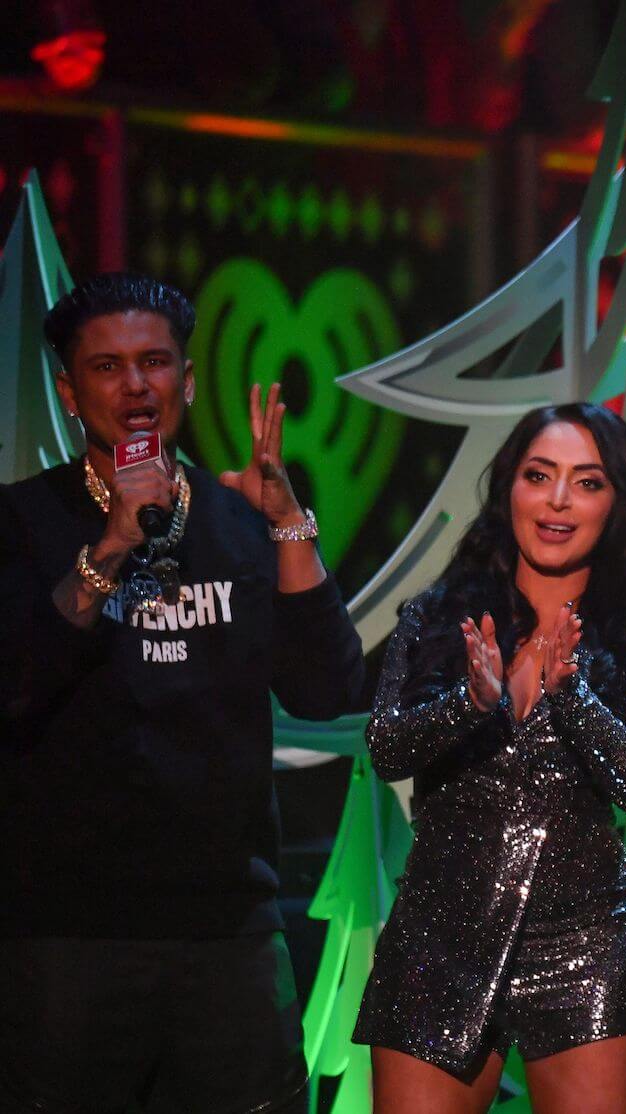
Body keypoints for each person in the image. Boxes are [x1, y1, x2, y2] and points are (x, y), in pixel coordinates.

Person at [0, 272, 365, 1111]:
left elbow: (327, 690)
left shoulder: (241, 523)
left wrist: (289, 522)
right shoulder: (23, 522)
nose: (135, 386)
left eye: (155, 362)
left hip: (227, 934)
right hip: (68, 938)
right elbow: (15, 685)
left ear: (187, 382)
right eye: (106, 366)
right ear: (68, 390)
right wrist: (113, 545)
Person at [354, 402, 626, 1113]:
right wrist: (471, 704)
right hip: (436, 940)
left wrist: (570, 694)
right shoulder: (438, 613)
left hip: (586, 945)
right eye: (540, 475)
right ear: (510, 485)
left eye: (588, 482)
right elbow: (387, 749)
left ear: (617, 504)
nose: (559, 501)